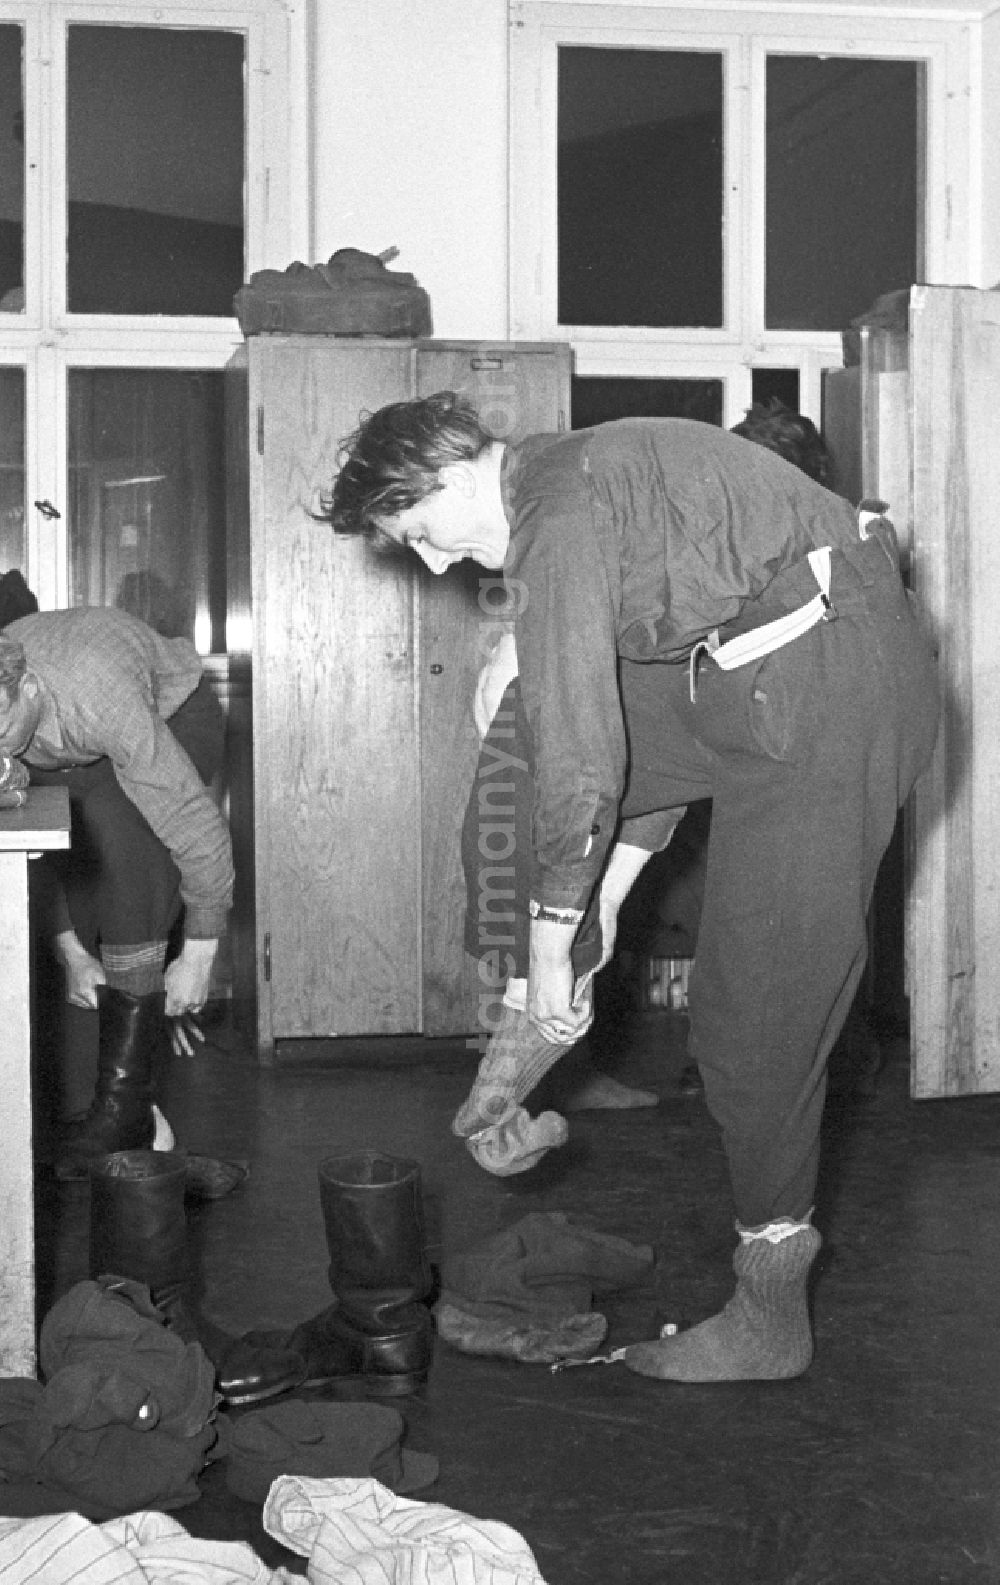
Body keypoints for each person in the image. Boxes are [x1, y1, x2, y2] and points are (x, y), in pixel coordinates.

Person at [326, 393, 939, 1384]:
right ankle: (540, 1011)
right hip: (761, 672)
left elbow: (584, 760)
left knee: (751, 1021)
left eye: (420, 534)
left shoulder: (556, 519)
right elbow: (629, 725)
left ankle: (769, 1312)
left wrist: (544, 939)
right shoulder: (569, 484)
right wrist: (602, 897)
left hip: (831, 688)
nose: (437, 563)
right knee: (539, 721)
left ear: (440, 478)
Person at [0, 601, 235, 1179]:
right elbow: (22, 855)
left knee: (123, 837)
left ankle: (127, 1112)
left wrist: (199, 953)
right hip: (63, 731)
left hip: (173, 708)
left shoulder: (101, 700)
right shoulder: (14, 717)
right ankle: (134, 1120)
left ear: (27, 690)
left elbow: (194, 824)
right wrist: (68, 948)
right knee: (61, 836)